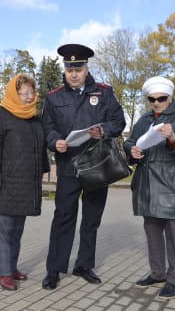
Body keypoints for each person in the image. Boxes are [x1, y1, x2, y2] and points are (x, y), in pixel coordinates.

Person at [41, 44, 126, 290]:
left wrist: (104, 131)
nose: (74, 73)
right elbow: (48, 128)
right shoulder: (53, 97)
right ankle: (54, 269)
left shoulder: (104, 92)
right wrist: (54, 142)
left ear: (87, 68)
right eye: (69, 68)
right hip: (68, 166)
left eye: (78, 68)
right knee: (63, 217)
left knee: (91, 218)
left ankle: (84, 265)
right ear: (65, 69)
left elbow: (118, 121)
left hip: (97, 165)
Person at [123, 76, 175, 300]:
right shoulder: (144, 119)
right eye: (151, 99)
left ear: (170, 97)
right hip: (147, 182)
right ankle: (157, 273)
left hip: (173, 183)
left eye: (161, 98)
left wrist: (173, 137)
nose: (156, 103)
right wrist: (132, 150)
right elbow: (131, 141)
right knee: (152, 232)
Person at [0, 73, 50, 291]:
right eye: (23, 93)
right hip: (4, 184)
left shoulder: (35, 118)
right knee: (5, 230)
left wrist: (42, 173)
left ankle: (11, 266)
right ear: (13, 93)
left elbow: (40, 149)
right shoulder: (0, 114)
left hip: (26, 185)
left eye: (31, 92)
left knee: (17, 230)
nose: (28, 97)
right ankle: (4, 272)